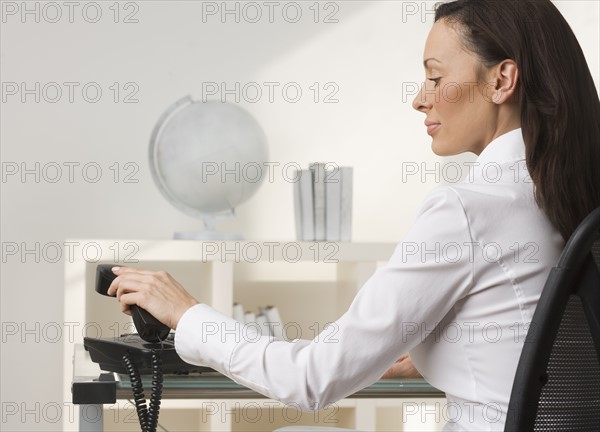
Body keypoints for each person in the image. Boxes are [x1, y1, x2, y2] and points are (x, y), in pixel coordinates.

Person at [107, 0, 600, 430]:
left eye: (434, 76)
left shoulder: (467, 209)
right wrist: (437, 357)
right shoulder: (568, 198)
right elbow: (536, 347)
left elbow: (310, 379)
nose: (419, 98)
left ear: (502, 80)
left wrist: (185, 312)